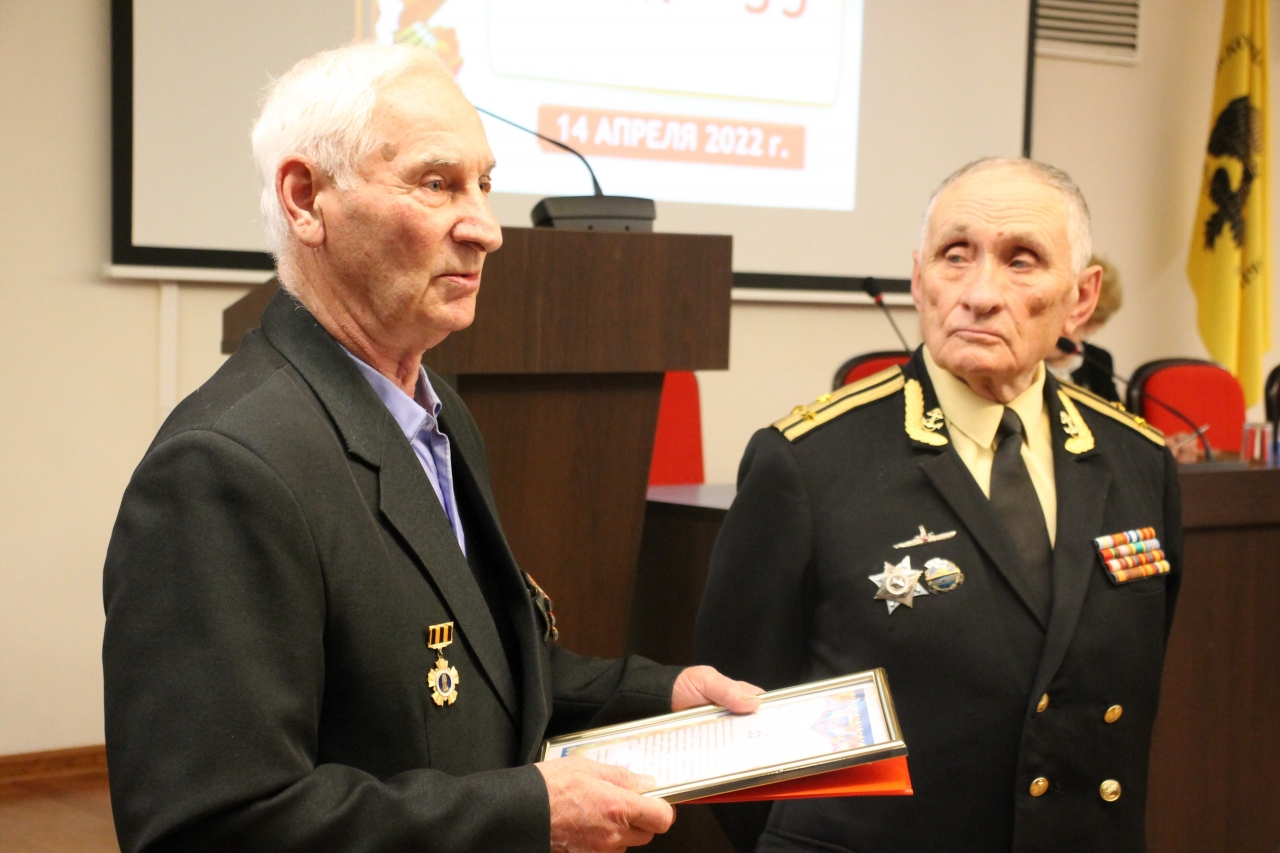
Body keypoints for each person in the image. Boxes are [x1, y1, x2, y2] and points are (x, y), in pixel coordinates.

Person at [102, 43, 759, 853]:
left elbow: (484, 667)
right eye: (437, 183)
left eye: (485, 184)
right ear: (306, 200)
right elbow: (207, 827)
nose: (486, 229)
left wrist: (663, 694)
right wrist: (525, 813)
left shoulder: (438, 411)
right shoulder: (223, 469)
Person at [694, 158, 1181, 852]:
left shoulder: (1137, 460)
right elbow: (734, 720)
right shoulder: (808, 461)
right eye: (956, 255)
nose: (980, 293)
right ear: (918, 278)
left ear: (1081, 298)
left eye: (1021, 261)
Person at [1046, 254, 1123, 402]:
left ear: (1094, 324)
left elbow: (1113, 411)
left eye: (1075, 317)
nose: (1061, 327)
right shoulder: (1022, 364)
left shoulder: (1098, 360)